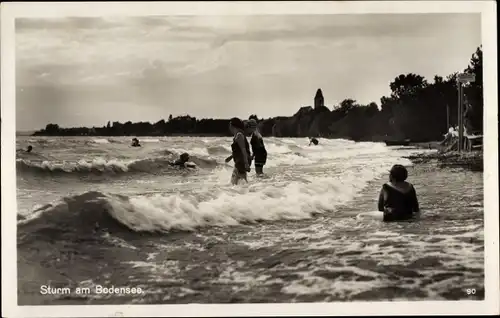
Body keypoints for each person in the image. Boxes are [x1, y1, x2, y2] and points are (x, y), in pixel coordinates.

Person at [225, 117, 251, 185]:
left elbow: (243, 150)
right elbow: (238, 150)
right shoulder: (237, 135)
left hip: (241, 163)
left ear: (232, 125)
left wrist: (246, 164)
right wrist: (230, 157)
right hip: (239, 162)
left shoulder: (239, 135)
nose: (229, 128)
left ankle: (250, 193)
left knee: (237, 182)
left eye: (229, 125)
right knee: (239, 182)